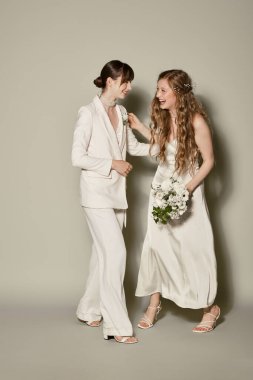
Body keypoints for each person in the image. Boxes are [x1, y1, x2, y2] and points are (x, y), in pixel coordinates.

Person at [128, 69, 220, 333]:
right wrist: (139, 127)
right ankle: (153, 304)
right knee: (156, 247)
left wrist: (186, 189)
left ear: (179, 92)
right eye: (158, 89)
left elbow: (210, 161)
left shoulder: (197, 122)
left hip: (187, 190)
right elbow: (161, 146)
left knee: (194, 249)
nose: (158, 95)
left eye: (163, 90)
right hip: (160, 190)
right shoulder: (164, 117)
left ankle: (209, 308)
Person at [71, 60, 151, 344]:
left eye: (129, 82)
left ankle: (88, 308)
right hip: (95, 196)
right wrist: (112, 164)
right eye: (124, 82)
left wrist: (164, 148)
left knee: (101, 256)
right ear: (109, 81)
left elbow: (131, 148)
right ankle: (116, 325)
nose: (129, 87)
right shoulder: (87, 113)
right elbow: (77, 157)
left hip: (118, 196)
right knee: (115, 254)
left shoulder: (121, 111)